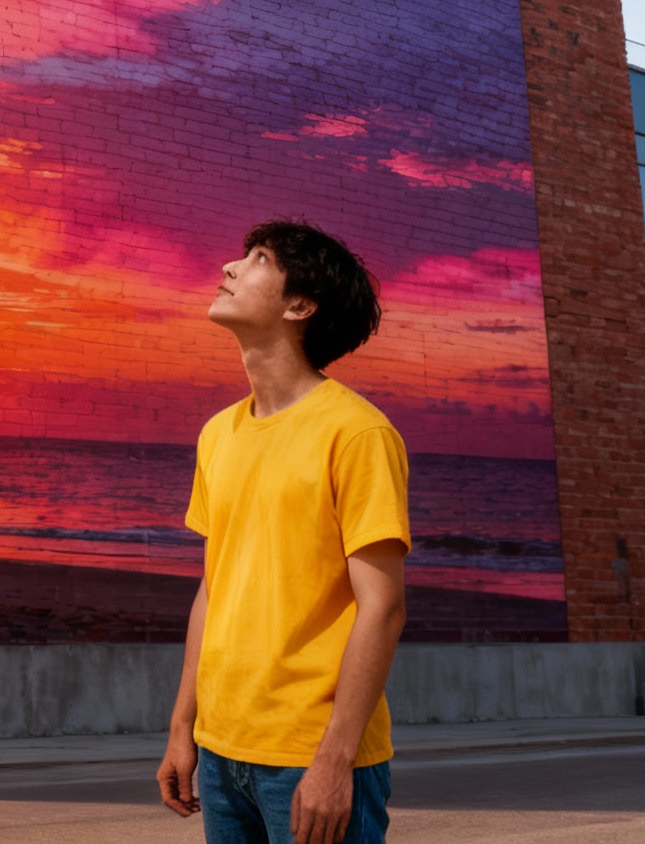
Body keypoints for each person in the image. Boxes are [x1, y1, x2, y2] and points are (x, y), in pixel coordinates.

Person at [156, 220, 409, 844]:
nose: (231, 266)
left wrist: (333, 761)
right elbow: (214, 589)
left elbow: (383, 606)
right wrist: (181, 727)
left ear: (300, 305)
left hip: (310, 752)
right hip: (220, 750)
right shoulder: (217, 434)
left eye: (259, 259)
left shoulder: (357, 433)